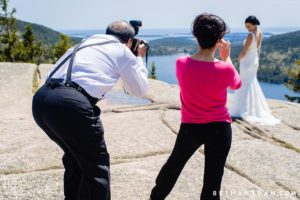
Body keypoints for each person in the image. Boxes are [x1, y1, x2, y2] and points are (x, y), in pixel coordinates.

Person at [32, 20, 149, 200]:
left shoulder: (85, 43)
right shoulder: (123, 50)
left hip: (41, 101)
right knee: (96, 168)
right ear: (130, 41)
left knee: (75, 158)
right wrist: (139, 57)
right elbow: (139, 90)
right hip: (71, 104)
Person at [149, 13, 242, 200]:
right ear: (219, 39)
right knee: (213, 178)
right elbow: (236, 84)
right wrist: (226, 57)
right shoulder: (225, 68)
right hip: (219, 128)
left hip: (191, 127)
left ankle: (156, 197)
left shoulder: (181, 63)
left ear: (195, 36)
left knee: (174, 165)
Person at [230, 16, 280, 125]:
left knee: (244, 83)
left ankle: (244, 109)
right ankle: (255, 109)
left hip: (247, 61)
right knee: (251, 82)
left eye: (249, 25)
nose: (247, 28)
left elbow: (244, 50)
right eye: (246, 26)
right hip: (254, 61)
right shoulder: (260, 33)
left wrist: (238, 58)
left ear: (254, 24)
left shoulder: (250, 35)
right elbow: (256, 48)